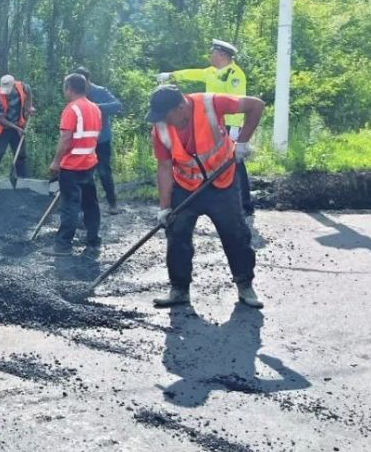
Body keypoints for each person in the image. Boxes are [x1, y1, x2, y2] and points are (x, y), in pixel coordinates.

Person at [145, 85, 265, 309]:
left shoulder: (211, 103)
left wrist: (243, 141)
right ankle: (179, 290)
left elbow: (256, 105)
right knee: (177, 234)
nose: (163, 121)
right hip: (185, 186)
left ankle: (245, 285)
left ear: (180, 107)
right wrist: (164, 206)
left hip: (222, 183)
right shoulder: (160, 128)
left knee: (235, 234)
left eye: (166, 116)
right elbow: (164, 166)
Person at [156, 39, 253, 220]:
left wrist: (236, 131)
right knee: (216, 162)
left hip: (230, 125)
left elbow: (238, 102)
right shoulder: (211, 72)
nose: (210, 56)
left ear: (222, 55)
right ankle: (218, 198)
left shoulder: (235, 74)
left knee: (236, 164)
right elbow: (192, 73)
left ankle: (245, 204)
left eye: (212, 53)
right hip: (216, 124)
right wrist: (171, 75)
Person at [48, 73, 102, 254]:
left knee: (70, 205)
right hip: (89, 163)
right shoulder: (94, 108)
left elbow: (66, 138)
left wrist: (56, 162)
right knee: (90, 204)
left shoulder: (72, 109)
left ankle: (63, 245)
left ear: (69, 88)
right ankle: (93, 241)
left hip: (72, 166)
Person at [74, 67, 123, 214]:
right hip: (83, 141)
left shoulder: (100, 91)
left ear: (88, 80)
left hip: (101, 140)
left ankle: (112, 204)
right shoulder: (76, 93)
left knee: (104, 172)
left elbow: (117, 105)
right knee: (83, 173)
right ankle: (85, 206)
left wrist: (95, 107)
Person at [0, 74, 32, 189]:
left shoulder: (22, 87)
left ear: (13, 85)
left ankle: (23, 182)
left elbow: (29, 92)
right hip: (2, 129)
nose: (6, 93)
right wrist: (17, 128)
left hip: (18, 125)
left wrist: (29, 107)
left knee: (21, 155)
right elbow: (0, 119)